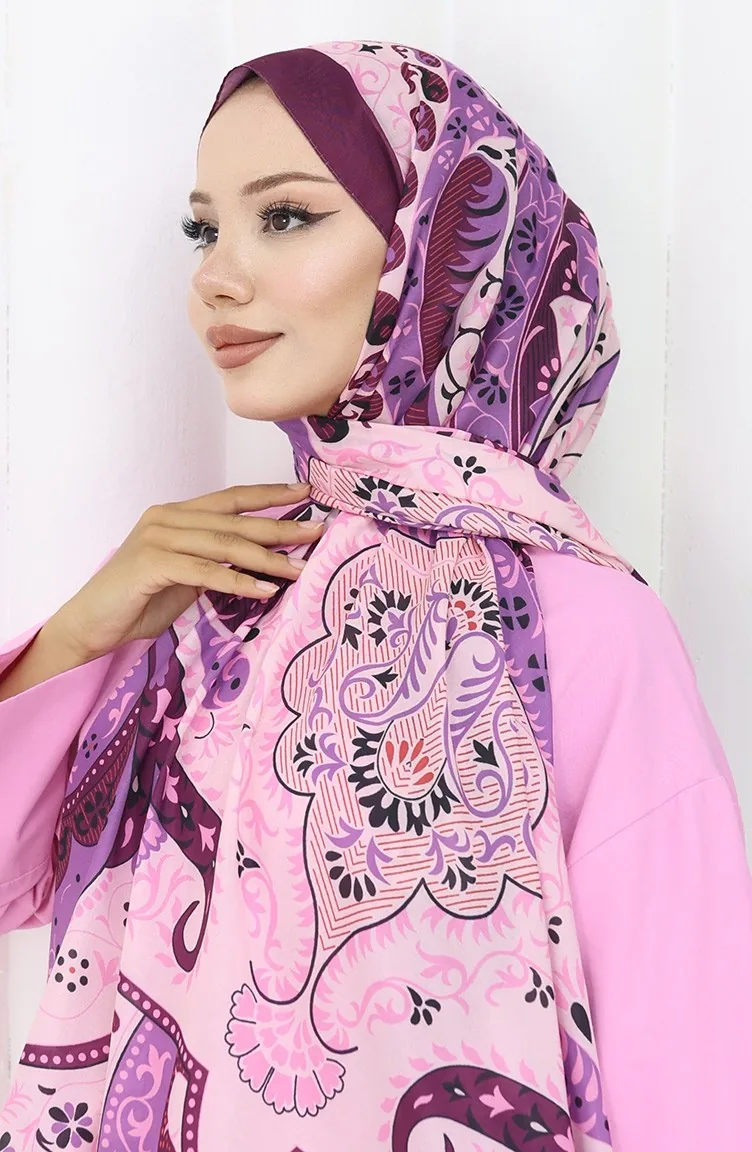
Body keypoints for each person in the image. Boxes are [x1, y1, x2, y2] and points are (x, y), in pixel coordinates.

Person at [0, 38, 749, 1152]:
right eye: (204, 230)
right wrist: (83, 629)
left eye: (285, 216)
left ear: (440, 252)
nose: (217, 277)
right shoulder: (219, 592)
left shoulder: (581, 623)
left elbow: (690, 1071)